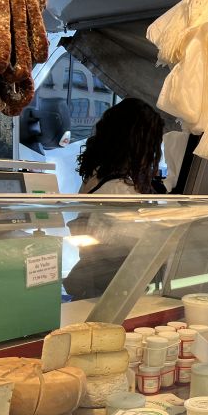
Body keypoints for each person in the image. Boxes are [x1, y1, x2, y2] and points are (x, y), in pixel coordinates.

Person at [64, 98, 166, 299]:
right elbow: (138, 243)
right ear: (139, 143)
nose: (155, 154)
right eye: (153, 144)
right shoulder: (115, 187)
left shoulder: (98, 175)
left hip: (102, 285)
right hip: (109, 289)